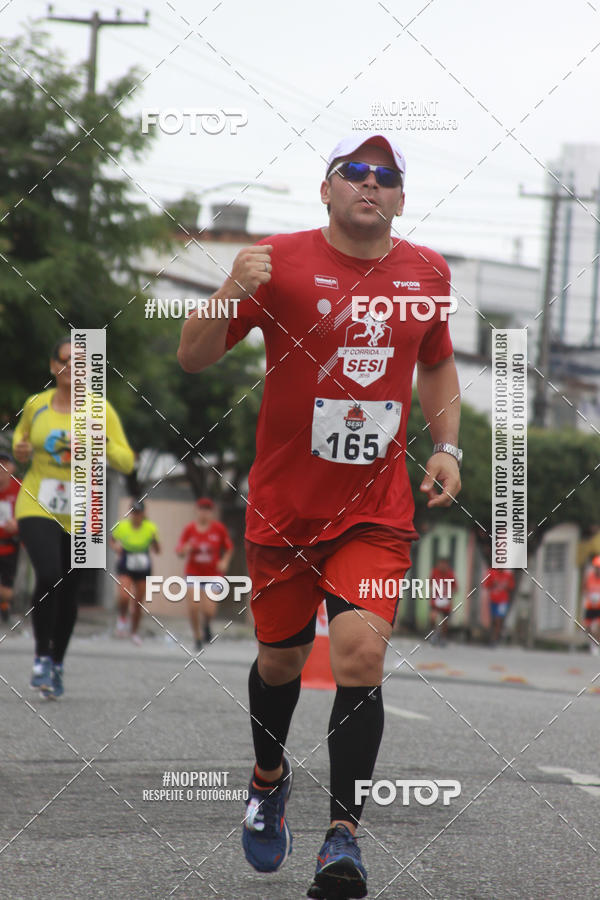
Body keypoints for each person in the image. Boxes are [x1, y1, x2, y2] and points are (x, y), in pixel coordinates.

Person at [178, 132, 462, 899]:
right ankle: (268, 779)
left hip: (375, 511)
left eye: (386, 176)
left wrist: (447, 446)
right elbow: (192, 356)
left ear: (401, 197)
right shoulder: (277, 261)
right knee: (280, 660)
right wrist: (229, 288)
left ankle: (343, 838)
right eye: (355, 171)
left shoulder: (428, 273)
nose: (371, 183)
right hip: (284, 510)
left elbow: (437, 361)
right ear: (327, 188)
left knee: (359, 657)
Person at [12, 336, 135, 698]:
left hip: (84, 509)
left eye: (81, 362)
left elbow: (127, 461)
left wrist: (104, 442)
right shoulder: (35, 405)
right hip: (37, 502)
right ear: (54, 366)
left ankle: (57, 662)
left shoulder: (101, 410)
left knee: (68, 591)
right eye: (66, 360)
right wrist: (20, 449)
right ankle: (40, 658)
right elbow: (20, 444)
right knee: (49, 573)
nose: (72, 368)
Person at [175, 497, 234, 650]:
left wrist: (224, 561)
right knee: (193, 606)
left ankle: (206, 625)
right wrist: (185, 549)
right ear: (197, 510)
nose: (204, 513)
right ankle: (197, 637)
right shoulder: (189, 529)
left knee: (209, 610)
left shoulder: (219, 529)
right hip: (193, 574)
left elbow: (229, 548)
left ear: (211, 512)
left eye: (207, 510)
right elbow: (179, 551)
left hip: (213, 575)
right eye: (202, 509)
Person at [110, 501, 160, 645]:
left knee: (138, 602)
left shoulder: (150, 527)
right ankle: (122, 618)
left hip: (143, 564)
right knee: (124, 596)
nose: (136, 516)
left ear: (143, 514)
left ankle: (134, 631)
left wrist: (154, 541)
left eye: (138, 513)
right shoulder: (122, 526)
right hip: (126, 561)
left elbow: (157, 549)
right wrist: (116, 548)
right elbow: (111, 541)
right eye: (133, 513)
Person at [0, 452, 20, 624]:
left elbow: (30, 514)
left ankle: (5, 605)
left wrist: (18, 524)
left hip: (10, 545)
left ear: (12, 468)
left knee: (7, 590)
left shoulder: (20, 488)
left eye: (4, 464)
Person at [428, 557, 458, 645]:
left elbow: (455, 588)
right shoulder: (435, 572)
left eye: (444, 564)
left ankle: (443, 637)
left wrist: (448, 594)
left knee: (445, 621)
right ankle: (433, 634)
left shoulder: (450, 574)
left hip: (445, 601)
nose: (442, 566)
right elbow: (430, 583)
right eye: (441, 564)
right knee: (433, 617)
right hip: (436, 600)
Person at [482, 566, 515, 646]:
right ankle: (492, 637)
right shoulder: (492, 573)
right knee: (493, 620)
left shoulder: (507, 575)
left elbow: (511, 587)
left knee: (498, 620)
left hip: (503, 601)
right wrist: (493, 584)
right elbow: (486, 585)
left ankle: (495, 639)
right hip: (493, 600)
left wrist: (504, 586)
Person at [582, 555, 600, 655]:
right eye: (596, 567)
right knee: (587, 627)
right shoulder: (590, 577)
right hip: (590, 606)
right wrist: (587, 596)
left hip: (599, 607)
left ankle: (596, 644)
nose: (598, 570)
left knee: (597, 626)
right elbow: (584, 588)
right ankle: (592, 642)